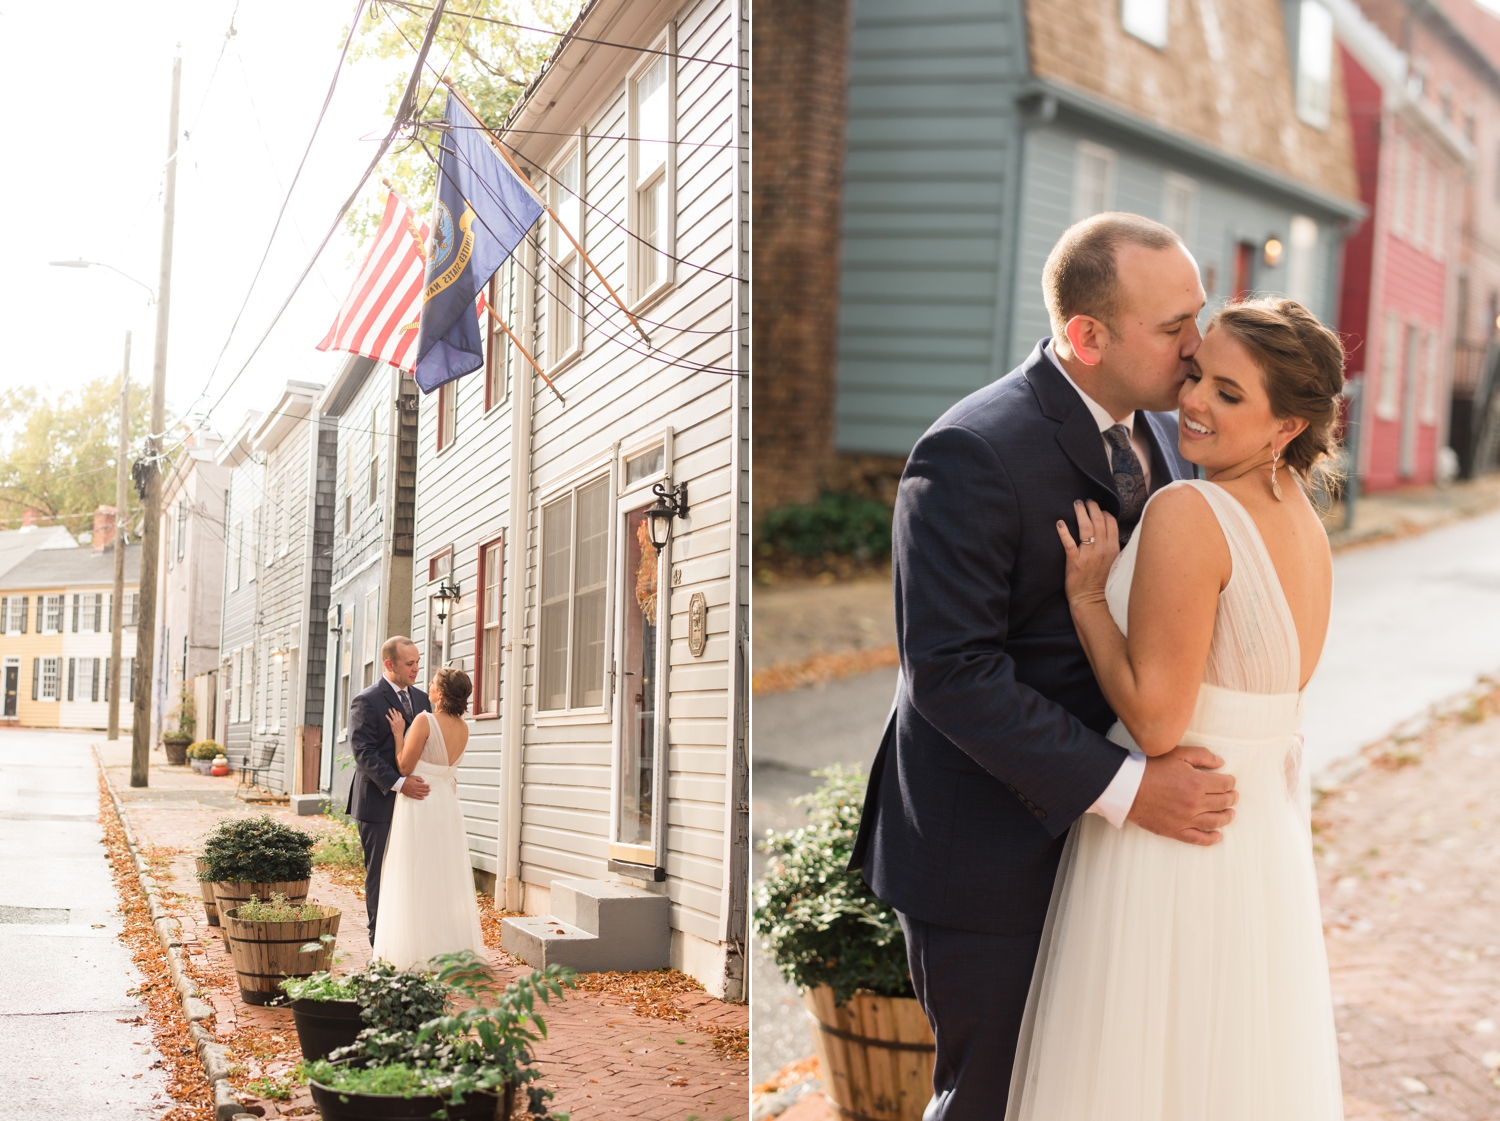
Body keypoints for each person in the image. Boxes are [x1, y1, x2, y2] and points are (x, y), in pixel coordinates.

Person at [849, 213, 1242, 1116]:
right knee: (993, 1095)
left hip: (1109, 853)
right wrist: (1130, 787)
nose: (1198, 346)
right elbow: (951, 674)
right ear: (1087, 335)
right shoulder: (971, 453)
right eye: (1174, 325)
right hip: (987, 852)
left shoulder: (1172, 436)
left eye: (1199, 314)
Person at [1008, 297, 1344, 1118]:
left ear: (1284, 427)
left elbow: (1157, 722)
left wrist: (1089, 597)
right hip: (1257, 846)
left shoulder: (1191, 512)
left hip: (1172, 841)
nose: (1193, 400)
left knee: (1134, 1077)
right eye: (1198, 374)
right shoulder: (1306, 525)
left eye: (1230, 395)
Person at [373, 666, 487, 970]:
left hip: (420, 802)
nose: (429, 686)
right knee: (443, 875)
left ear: (443, 693)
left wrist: (399, 734)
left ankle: (416, 949)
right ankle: (448, 947)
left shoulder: (425, 720)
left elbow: (404, 766)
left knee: (415, 872)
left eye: (434, 683)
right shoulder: (464, 728)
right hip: (447, 805)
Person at [348, 636, 433, 944]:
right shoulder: (367, 700)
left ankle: (406, 936)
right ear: (390, 664)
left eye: (417, 662)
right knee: (380, 873)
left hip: (415, 805)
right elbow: (363, 752)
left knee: (411, 871)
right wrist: (399, 784)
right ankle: (379, 940)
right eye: (409, 664)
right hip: (378, 803)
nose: (416, 669)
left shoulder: (423, 700)